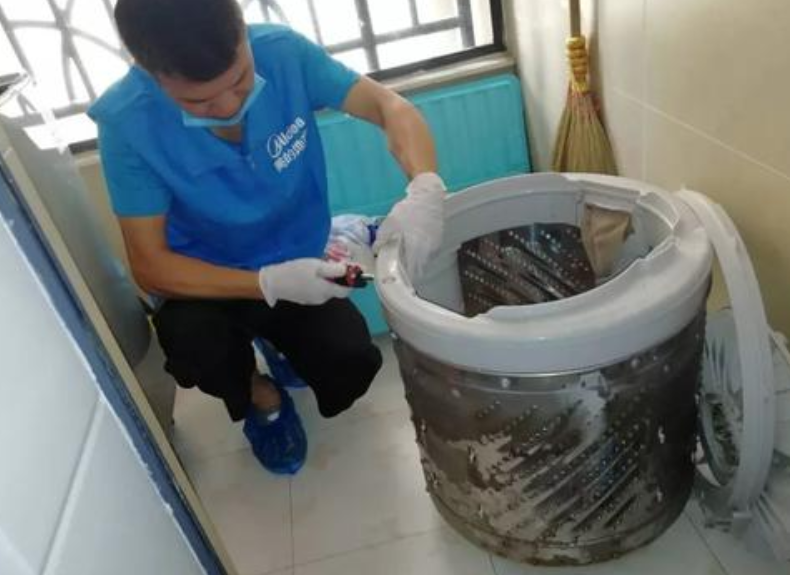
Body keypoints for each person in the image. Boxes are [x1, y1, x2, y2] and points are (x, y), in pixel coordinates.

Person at [89, 0, 446, 475]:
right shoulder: (127, 123)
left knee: (351, 364)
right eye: (199, 102)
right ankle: (261, 397)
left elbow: (388, 106)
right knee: (199, 352)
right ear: (149, 71)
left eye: (240, 80)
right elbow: (149, 265)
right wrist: (268, 284)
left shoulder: (281, 52)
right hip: (201, 282)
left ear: (241, 28)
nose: (229, 106)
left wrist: (425, 188)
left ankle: (282, 345)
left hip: (297, 255)